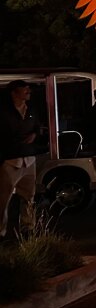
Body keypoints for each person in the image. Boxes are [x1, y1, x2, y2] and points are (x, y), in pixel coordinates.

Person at [0, 80, 39, 239]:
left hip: (28, 159)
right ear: (14, 92)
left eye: (29, 88)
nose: (28, 91)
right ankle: (1, 232)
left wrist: (34, 134)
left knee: (29, 197)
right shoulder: (4, 111)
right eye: (25, 88)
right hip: (10, 160)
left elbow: (37, 127)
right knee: (3, 199)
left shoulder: (31, 109)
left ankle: (28, 229)